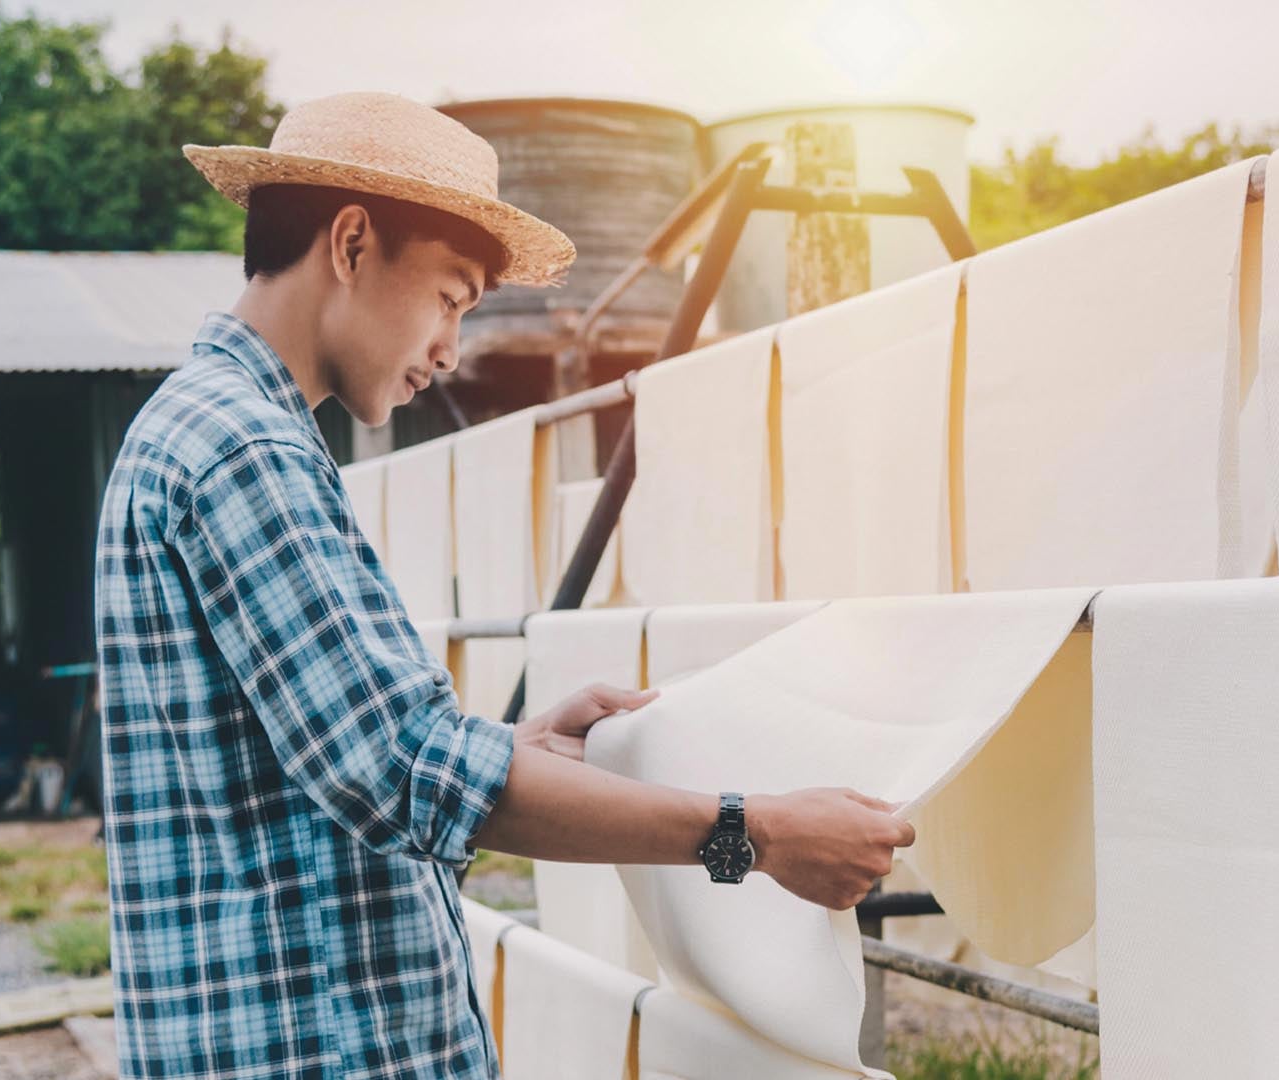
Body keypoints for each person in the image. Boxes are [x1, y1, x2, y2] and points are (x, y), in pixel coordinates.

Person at [93, 91, 913, 1080]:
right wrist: (758, 832)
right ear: (351, 243)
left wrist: (509, 749)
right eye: (449, 297)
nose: (449, 349)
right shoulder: (246, 447)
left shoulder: (204, 428)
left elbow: (307, 760)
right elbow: (401, 772)